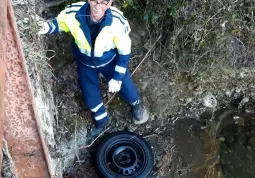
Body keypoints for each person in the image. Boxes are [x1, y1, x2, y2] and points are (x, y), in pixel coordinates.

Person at [38, 0, 149, 135]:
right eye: (95, 1)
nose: (98, 6)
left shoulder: (117, 22)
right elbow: (58, 24)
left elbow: (124, 52)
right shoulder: (74, 13)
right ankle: (102, 121)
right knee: (90, 96)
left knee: (127, 86)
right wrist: (45, 27)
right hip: (86, 64)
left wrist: (117, 78)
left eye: (103, 3)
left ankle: (136, 105)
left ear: (109, 4)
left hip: (109, 61)